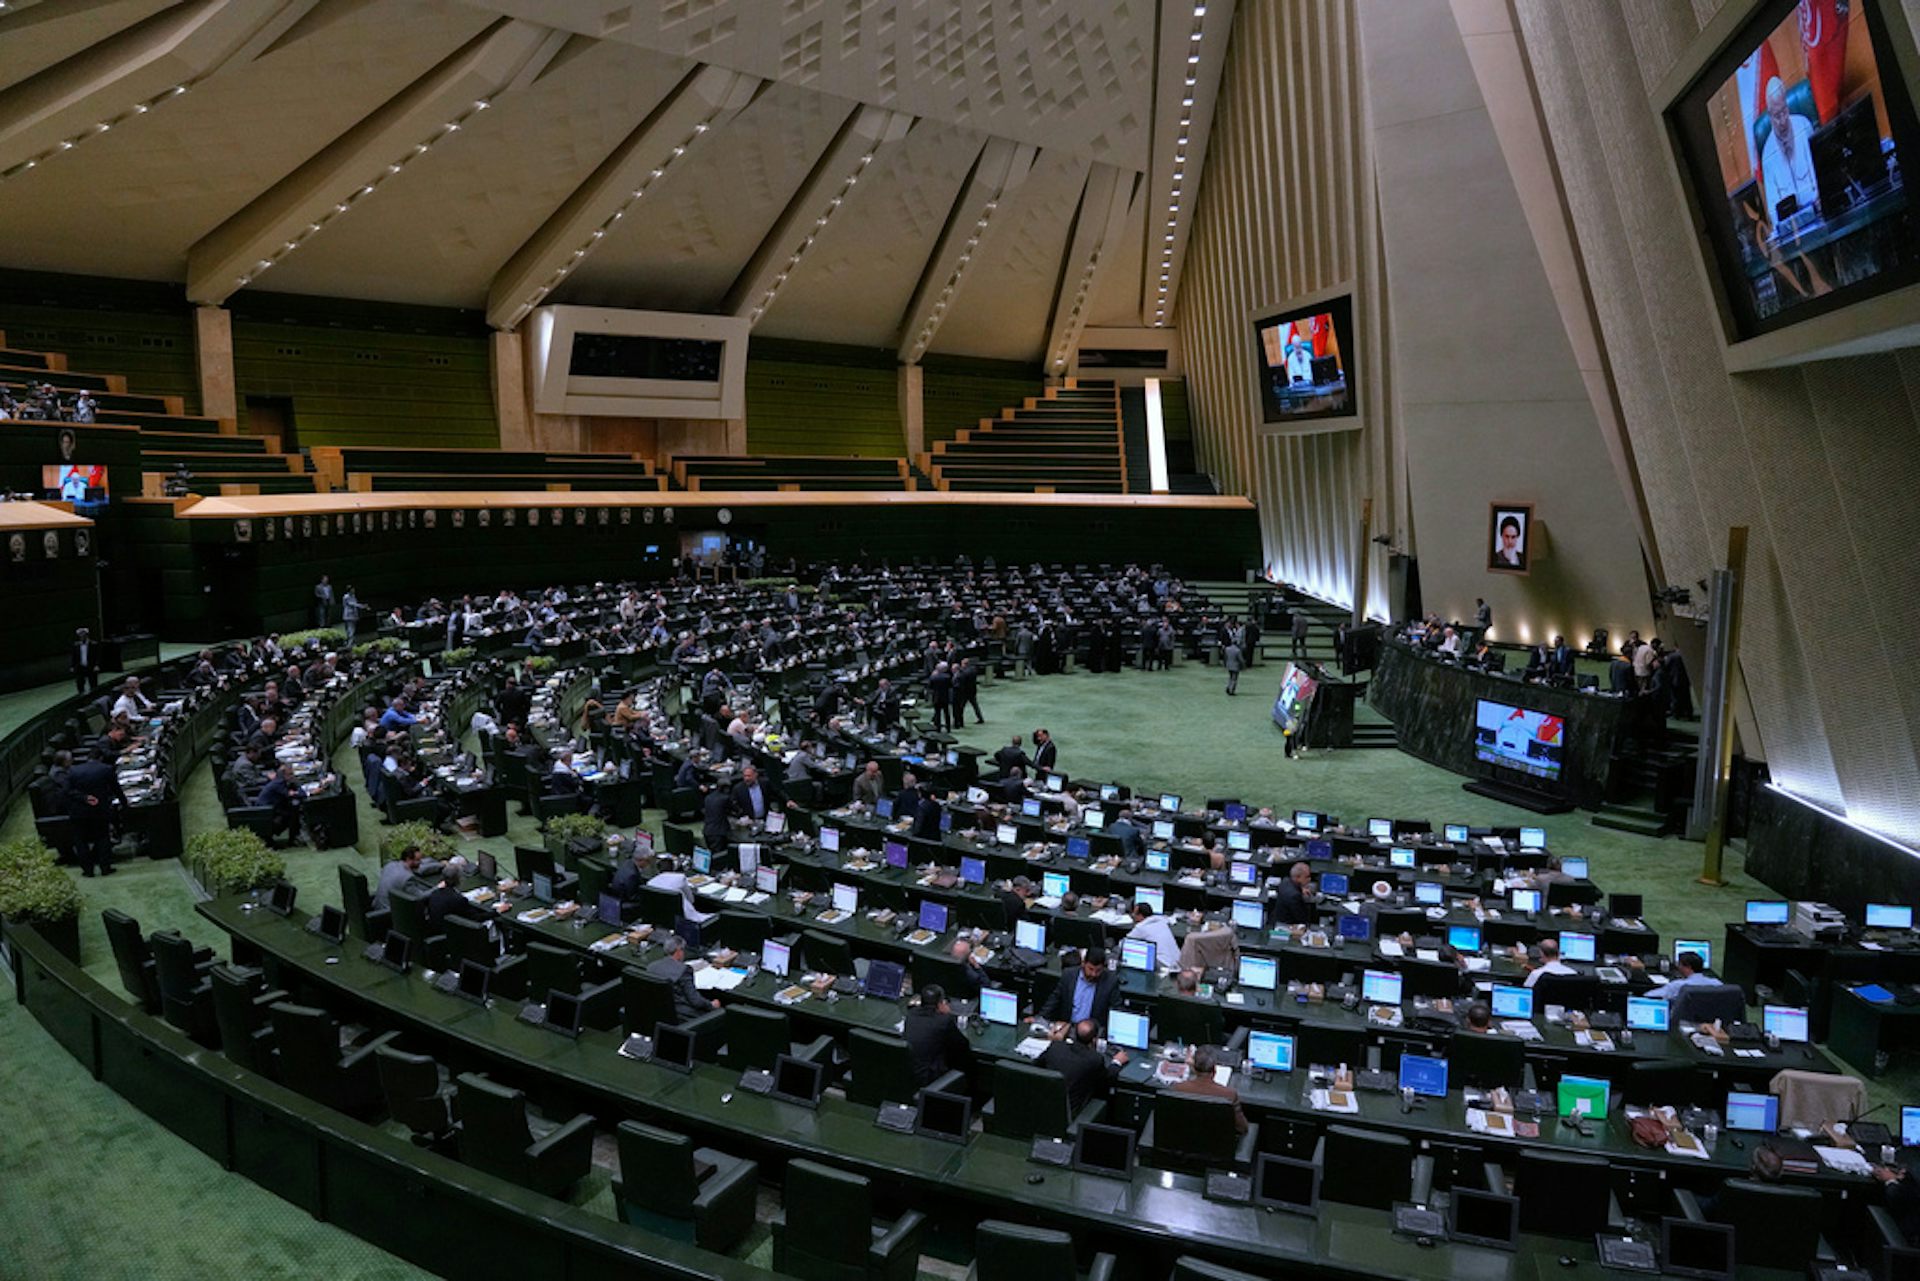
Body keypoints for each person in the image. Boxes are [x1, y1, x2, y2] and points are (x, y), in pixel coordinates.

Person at [1036, 1019, 1127, 1115]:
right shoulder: (1094, 1060)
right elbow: (1107, 1079)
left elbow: (1038, 1063)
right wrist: (1117, 1062)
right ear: (1094, 1040)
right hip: (1071, 1114)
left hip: (1044, 1107)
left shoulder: (1056, 1047)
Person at [1760, 76, 1819, 216]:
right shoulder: (1767, 155)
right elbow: (1774, 214)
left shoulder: (1804, 127)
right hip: (1793, 227)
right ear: (1769, 115)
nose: (1782, 121)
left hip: (1818, 212)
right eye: (1776, 116)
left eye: (1784, 112)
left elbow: (1820, 178)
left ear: (1787, 106)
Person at [67, 749, 126, 877]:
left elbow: (68, 791)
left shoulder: (73, 771)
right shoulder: (106, 769)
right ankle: (105, 867)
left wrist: (85, 798)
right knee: (102, 837)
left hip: (79, 811)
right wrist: (125, 803)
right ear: (100, 758)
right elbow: (116, 789)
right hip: (99, 810)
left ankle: (88, 871)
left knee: (81, 841)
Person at [903, 984, 971, 1087]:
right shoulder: (944, 1020)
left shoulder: (911, 1013)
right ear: (940, 1004)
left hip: (909, 1071)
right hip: (929, 1075)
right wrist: (948, 1014)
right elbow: (963, 1044)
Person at [1171, 1044, 1248, 1133]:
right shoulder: (1229, 1095)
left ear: (1194, 1068)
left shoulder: (1179, 1088)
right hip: (1218, 1144)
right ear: (1215, 1070)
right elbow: (1242, 1128)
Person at [649, 933, 719, 1022]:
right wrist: (711, 1004)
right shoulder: (684, 970)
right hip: (683, 1016)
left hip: (660, 1013)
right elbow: (696, 1002)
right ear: (678, 951)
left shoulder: (651, 967)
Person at [1039, 947, 1120, 1025]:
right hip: (1067, 1025)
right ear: (1083, 963)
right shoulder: (1069, 975)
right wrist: (1040, 1018)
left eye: (1098, 970)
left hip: (1092, 1031)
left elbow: (1116, 1009)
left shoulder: (1110, 981)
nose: (1094, 974)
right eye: (1090, 969)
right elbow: (1055, 998)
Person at [1629, 950, 1715, 1002]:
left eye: (1679, 964)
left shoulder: (1678, 985)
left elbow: (1648, 996)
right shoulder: (1716, 984)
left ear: (1688, 967)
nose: (1677, 967)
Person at [424, 865, 488, 929]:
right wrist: (496, 912)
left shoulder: (435, 893)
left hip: (436, 927)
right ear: (459, 879)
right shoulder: (458, 899)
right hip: (449, 932)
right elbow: (476, 918)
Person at [254, 764, 303, 846]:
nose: (292, 776)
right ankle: (293, 839)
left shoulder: (279, 781)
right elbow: (290, 794)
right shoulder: (278, 783)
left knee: (292, 808)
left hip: (271, 810)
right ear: (283, 775)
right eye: (290, 774)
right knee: (294, 812)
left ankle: (294, 838)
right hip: (267, 814)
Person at [1125, 902, 1181, 973]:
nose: (1132, 915)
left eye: (1135, 913)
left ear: (1141, 916)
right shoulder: (1161, 919)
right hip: (1179, 961)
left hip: (1165, 964)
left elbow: (1125, 943)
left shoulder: (1141, 928)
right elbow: (1169, 919)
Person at [375, 844, 430, 910]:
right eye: (418, 860)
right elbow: (421, 897)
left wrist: (441, 864)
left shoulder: (390, 865)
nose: (421, 862)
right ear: (408, 859)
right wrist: (438, 887)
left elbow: (422, 868)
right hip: (389, 914)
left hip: (378, 906)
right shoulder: (407, 878)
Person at [1272, 861, 1317, 926]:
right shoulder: (1294, 896)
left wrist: (1301, 889)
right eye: (1307, 877)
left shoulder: (1285, 881)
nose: (1309, 879)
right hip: (1287, 925)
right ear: (1298, 878)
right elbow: (1302, 918)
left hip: (1277, 918)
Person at [69, 627, 99, 695]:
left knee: (93, 683)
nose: (82, 636)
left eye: (83, 634)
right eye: (80, 635)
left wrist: (97, 665)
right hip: (80, 667)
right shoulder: (76, 645)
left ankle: (94, 695)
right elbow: (74, 657)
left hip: (91, 666)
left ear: (86, 635)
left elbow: (97, 656)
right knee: (79, 683)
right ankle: (81, 696)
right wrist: (72, 666)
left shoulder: (93, 644)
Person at [953, 658, 983, 726]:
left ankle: (959, 721)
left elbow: (962, 681)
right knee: (975, 706)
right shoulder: (973, 669)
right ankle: (980, 718)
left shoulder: (964, 672)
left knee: (961, 707)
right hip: (972, 690)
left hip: (965, 692)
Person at [927, 662, 953, 733]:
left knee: (937, 713)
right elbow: (950, 686)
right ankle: (948, 728)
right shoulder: (947, 677)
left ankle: (938, 728)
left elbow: (930, 687)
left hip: (936, 697)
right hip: (945, 697)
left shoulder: (933, 677)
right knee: (947, 713)